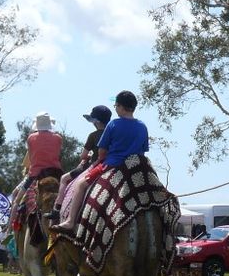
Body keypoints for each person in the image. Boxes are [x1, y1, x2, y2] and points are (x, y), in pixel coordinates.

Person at [53, 90, 149, 232]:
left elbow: (102, 152)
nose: (115, 108)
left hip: (111, 166)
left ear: (121, 107)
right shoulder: (142, 126)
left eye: (116, 105)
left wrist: (99, 160)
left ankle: (70, 221)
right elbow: (142, 151)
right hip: (135, 168)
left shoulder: (113, 125)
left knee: (80, 184)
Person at [49, 104, 112, 221]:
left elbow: (83, 156)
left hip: (95, 165)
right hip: (111, 164)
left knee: (64, 178)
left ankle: (57, 209)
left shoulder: (93, 135)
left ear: (96, 122)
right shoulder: (112, 133)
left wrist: (88, 156)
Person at [24, 112, 64, 183]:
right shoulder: (58, 138)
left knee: (19, 192)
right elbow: (58, 155)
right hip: (56, 172)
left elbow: (31, 159)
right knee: (67, 190)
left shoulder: (31, 138)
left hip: (35, 174)